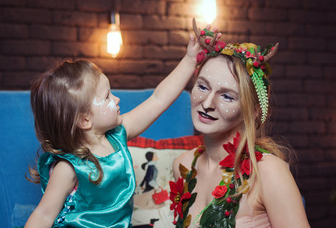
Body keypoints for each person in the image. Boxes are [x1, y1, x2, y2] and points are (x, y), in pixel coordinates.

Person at [24, 31, 200, 227]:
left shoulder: (117, 135)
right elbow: (43, 215)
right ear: (84, 120)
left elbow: (158, 100)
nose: (116, 99)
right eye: (107, 96)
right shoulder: (68, 168)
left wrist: (190, 60)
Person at [169, 19, 310, 228]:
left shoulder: (268, 172)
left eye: (227, 96)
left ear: (252, 111)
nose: (207, 103)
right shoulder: (183, 165)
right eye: (203, 87)